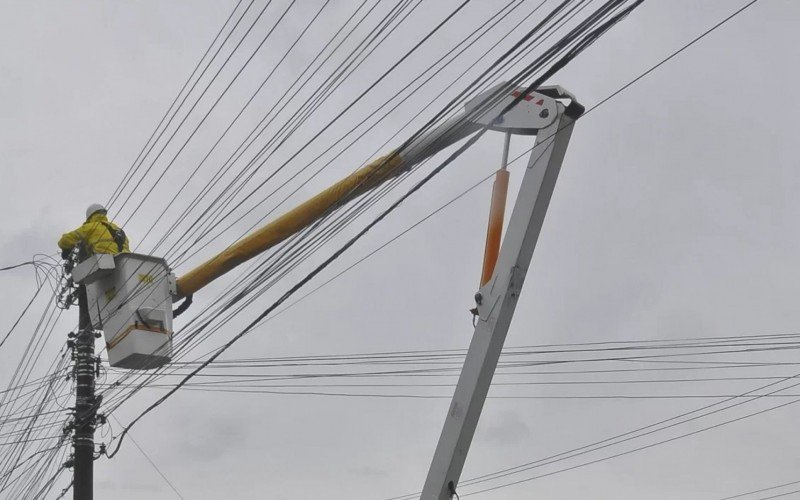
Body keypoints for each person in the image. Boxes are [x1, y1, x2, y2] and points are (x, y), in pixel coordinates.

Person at [58, 203, 130, 259]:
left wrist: (66, 248)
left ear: (89, 216)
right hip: (126, 261)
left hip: (104, 261)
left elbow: (65, 240)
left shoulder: (90, 227)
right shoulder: (118, 229)